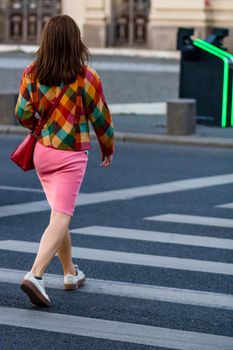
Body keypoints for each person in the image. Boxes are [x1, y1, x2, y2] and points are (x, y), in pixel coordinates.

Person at [15, 15, 114, 307]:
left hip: (43, 152)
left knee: (58, 214)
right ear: (75, 41)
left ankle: (71, 273)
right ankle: (35, 275)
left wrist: (40, 126)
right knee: (62, 216)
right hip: (71, 154)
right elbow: (101, 118)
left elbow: (21, 113)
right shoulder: (87, 77)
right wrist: (107, 147)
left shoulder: (31, 72)